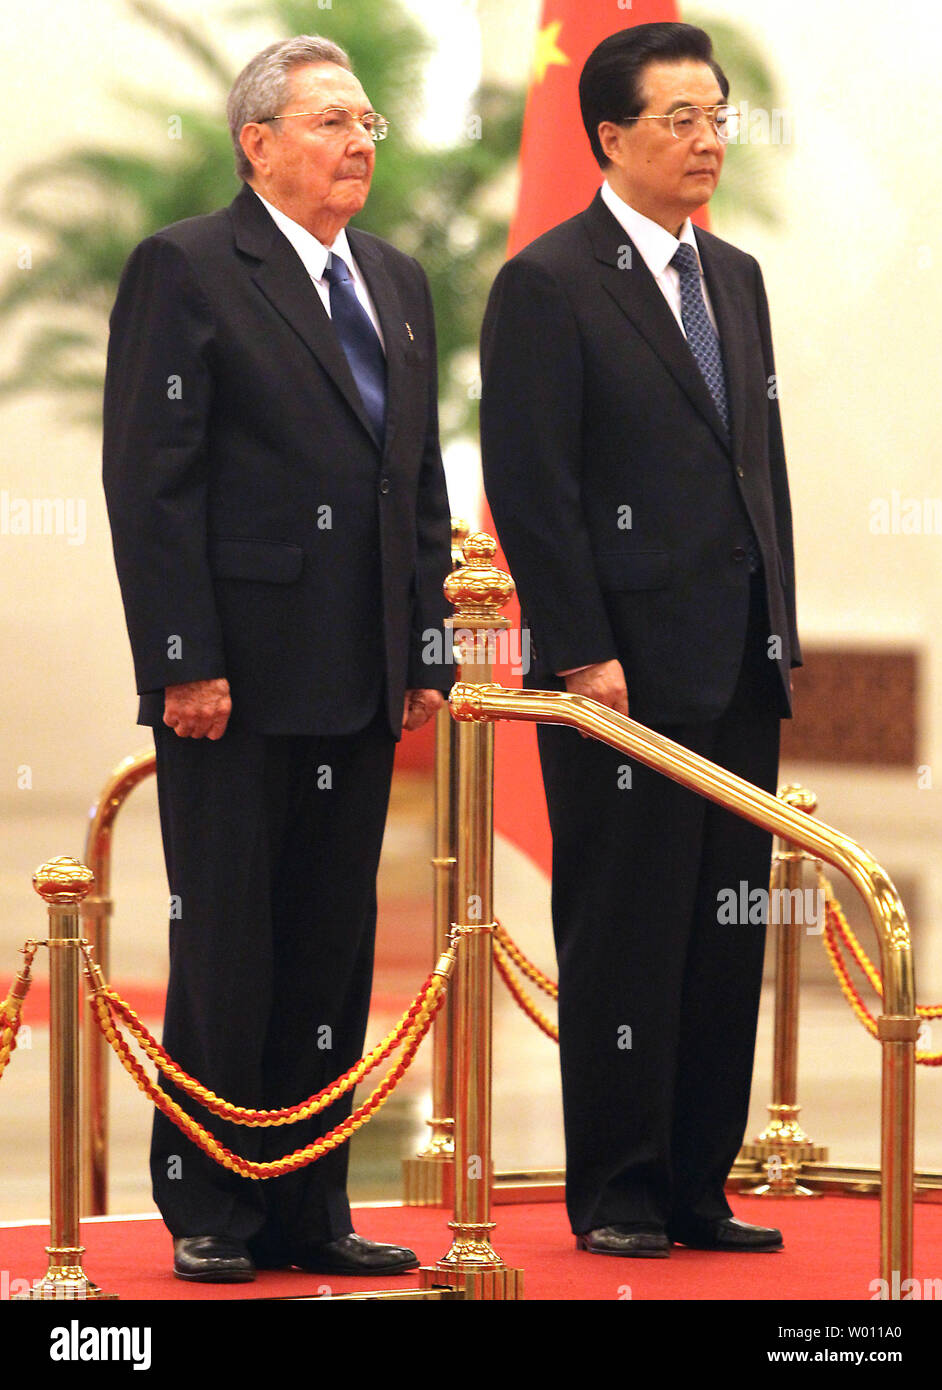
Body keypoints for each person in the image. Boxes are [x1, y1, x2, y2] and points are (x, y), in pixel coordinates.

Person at [102, 34, 453, 1282]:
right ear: (258, 144)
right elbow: (153, 485)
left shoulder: (397, 282)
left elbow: (415, 483)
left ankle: (311, 1209)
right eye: (329, 123)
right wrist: (185, 658)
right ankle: (210, 1207)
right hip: (234, 686)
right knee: (231, 944)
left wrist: (426, 649)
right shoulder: (189, 268)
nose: (360, 143)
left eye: (367, 123)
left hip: (357, 680)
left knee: (330, 948)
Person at [480, 22, 801, 1258]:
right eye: (681, 118)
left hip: (733, 666)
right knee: (623, 933)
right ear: (610, 136)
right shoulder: (551, 281)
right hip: (617, 675)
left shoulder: (737, 278)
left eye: (716, 115)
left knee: (724, 928)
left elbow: (756, 474)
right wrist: (577, 651)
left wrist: (777, 631)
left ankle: (696, 1181)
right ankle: (617, 1186)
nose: (709, 137)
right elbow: (532, 482)